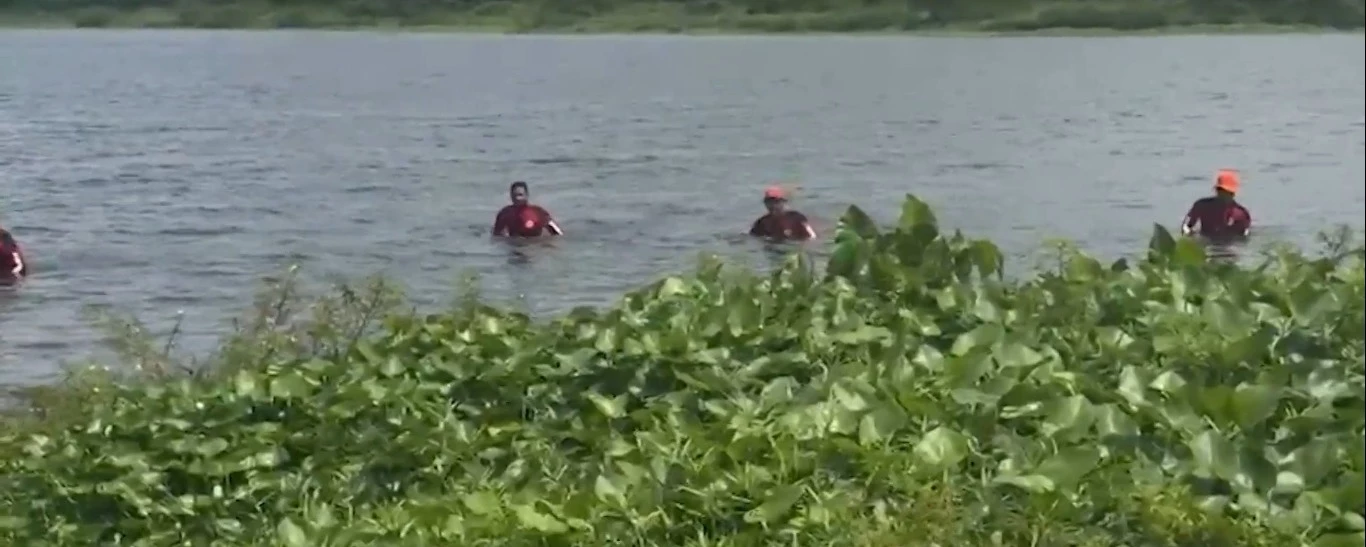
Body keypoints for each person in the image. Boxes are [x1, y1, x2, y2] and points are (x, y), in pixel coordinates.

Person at [1180, 169, 1252, 239]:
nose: (1223, 194)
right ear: (1216, 190)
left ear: (1233, 193)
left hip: (1229, 245)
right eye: (1220, 190)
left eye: (1227, 192)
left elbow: (1244, 236)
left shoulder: (1241, 214)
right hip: (1206, 242)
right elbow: (1186, 225)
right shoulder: (1202, 205)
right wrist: (1189, 235)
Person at [492, 181, 563, 238]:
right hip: (514, 247)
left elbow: (557, 233)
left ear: (527, 195)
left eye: (520, 195)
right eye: (514, 195)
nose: (517, 198)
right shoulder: (505, 213)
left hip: (534, 246)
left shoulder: (538, 212)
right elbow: (496, 236)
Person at [749, 185, 816, 241]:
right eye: (768, 202)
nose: (772, 205)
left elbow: (812, 237)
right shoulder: (761, 223)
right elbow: (752, 238)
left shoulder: (797, 218)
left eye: (776, 202)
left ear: (783, 202)